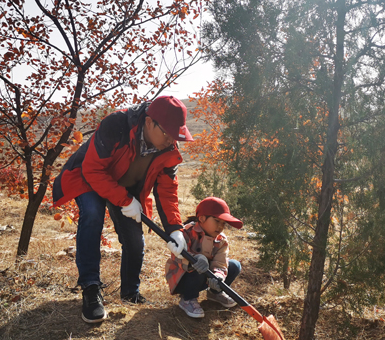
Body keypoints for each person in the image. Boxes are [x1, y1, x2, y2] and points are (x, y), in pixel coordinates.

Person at [52, 96, 193, 323]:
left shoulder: (168, 148)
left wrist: (175, 229)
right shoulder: (116, 125)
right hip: (89, 178)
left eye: (175, 135)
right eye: (166, 133)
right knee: (92, 215)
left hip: (126, 189)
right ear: (149, 123)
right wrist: (125, 202)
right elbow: (93, 170)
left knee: (135, 241)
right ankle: (90, 288)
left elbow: (167, 191)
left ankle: (130, 293)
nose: (170, 140)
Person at [165, 196, 243, 318]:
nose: (220, 226)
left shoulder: (221, 240)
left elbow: (220, 262)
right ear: (201, 218)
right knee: (199, 267)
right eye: (217, 221)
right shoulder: (185, 233)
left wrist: (218, 276)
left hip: (205, 277)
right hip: (184, 279)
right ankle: (188, 299)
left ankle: (215, 292)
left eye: (223, 223)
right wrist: (195, 259)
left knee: (234, 265)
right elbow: (178, 257)